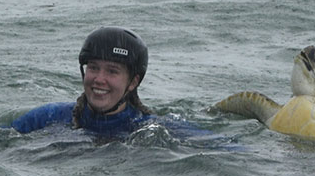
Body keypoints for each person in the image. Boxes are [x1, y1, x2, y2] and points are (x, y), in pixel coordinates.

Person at [9, 26, 185, 137]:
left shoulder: (153, 130)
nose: (99, 79)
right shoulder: (46, 118)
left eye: (112, 71)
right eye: (93, 68)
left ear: (133, 83)